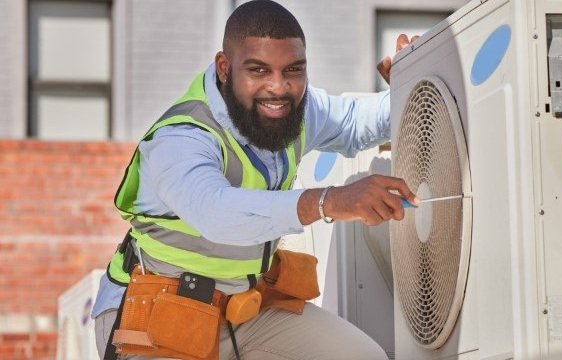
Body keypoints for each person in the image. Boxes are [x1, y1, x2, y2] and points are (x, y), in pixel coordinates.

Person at [92, 1, 418, 359]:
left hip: (243, 309)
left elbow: (356, 122)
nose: (278, 88)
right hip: (157, 312)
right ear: (224, 68)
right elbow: (217, 214)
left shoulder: (299, 109)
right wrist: (328, 201)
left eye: (293, 70)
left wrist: (413, 81)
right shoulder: (182, 138)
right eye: (258, 70)